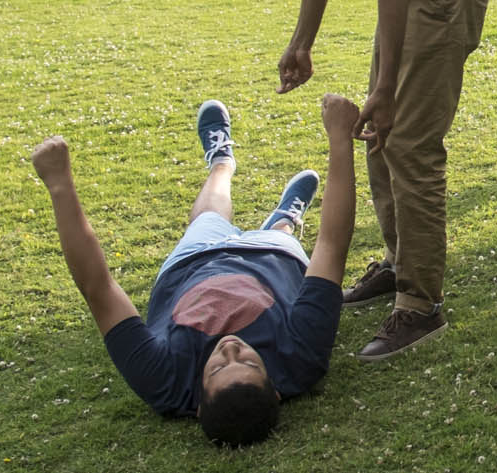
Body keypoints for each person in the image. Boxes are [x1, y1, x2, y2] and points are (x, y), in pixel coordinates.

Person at [142, 0, 491, 360]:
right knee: (381, 132)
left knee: (409, 143)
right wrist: (302, 41)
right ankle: (400, 265)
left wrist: (383, 90)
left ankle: (420, 306)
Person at [31, 97, 360, 445]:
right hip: (274, 258)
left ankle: (223, 164)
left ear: (199, 403)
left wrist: (59, 185)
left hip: (192, 264)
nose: (230, 349)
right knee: (278, 237)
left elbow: (98, 288)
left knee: (208, 218)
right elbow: (331, 247)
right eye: (250, 363)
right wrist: (340, 139)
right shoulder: (300, 357)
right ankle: (281, 218)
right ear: (276, 388)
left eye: (218, 368)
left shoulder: (163, 380)